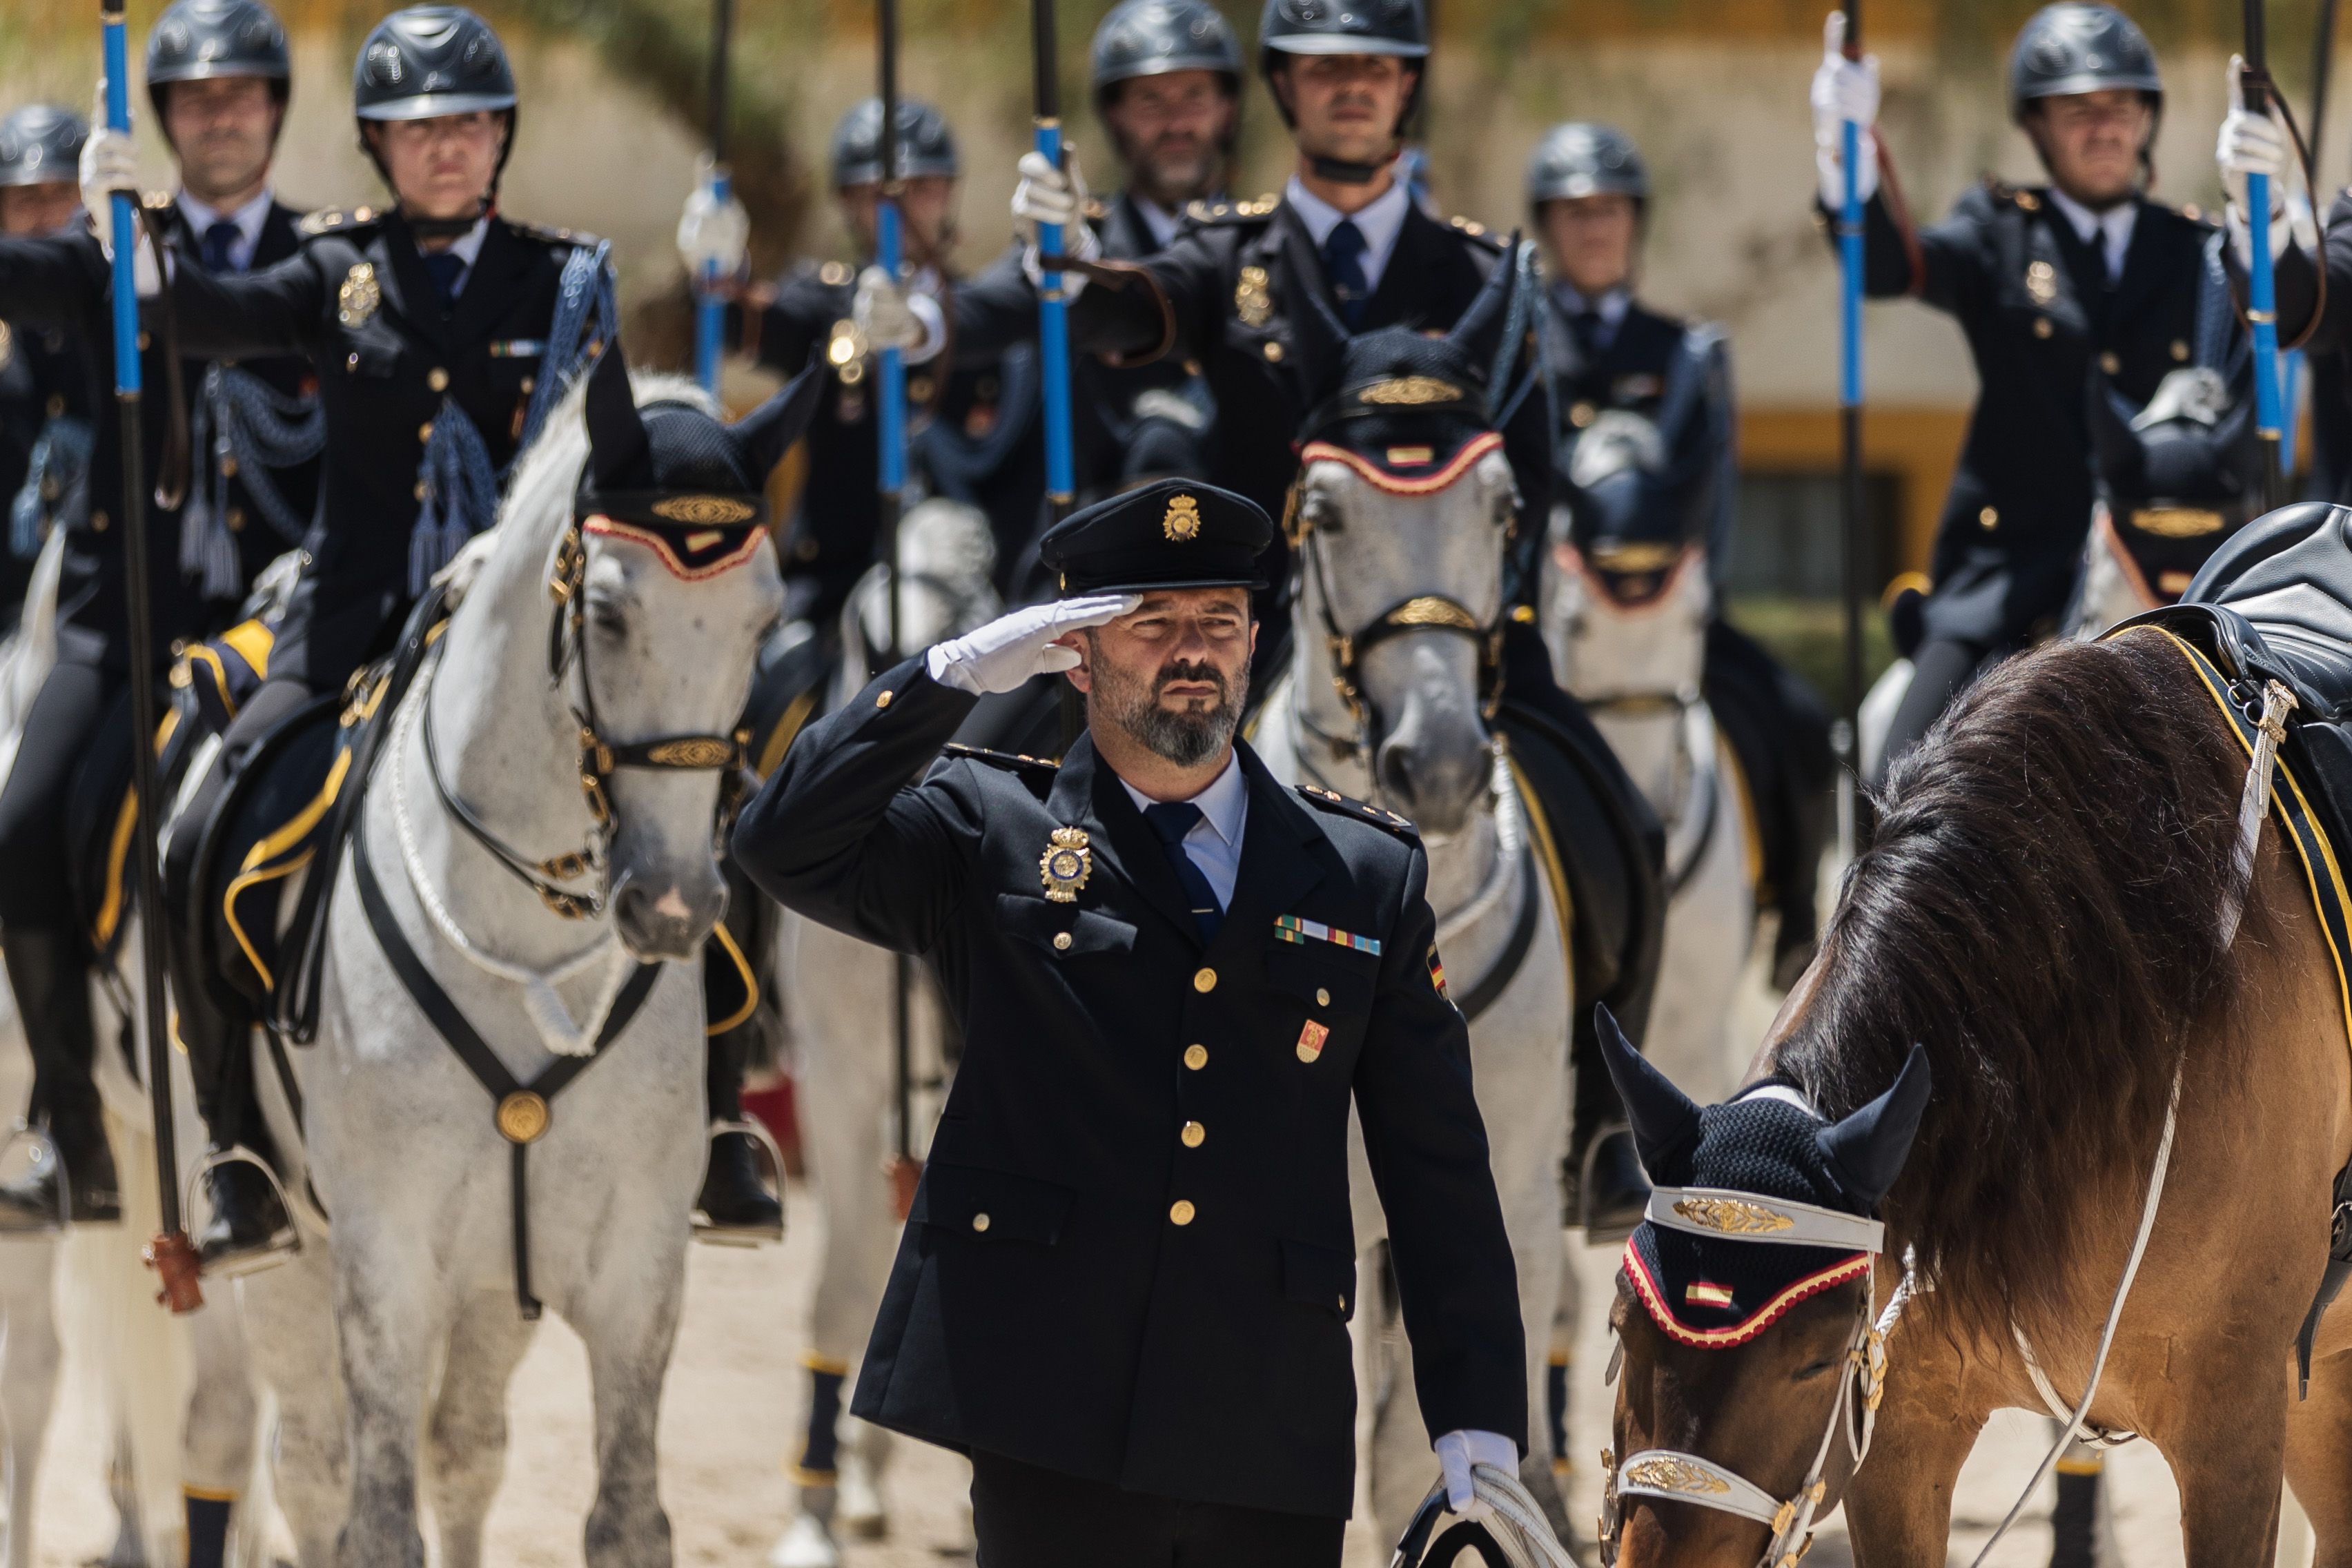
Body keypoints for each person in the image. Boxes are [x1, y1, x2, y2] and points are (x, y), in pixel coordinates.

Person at [732, 478, 1528, 1568]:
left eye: (1219, 622)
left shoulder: (1362, 874)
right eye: (1149, 624)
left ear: (1255, 641)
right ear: (1079, 651)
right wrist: (949, 677)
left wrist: (1478, 1417)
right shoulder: (987, 831)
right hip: (1049, 1410)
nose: (1190, 650)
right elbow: (781, 844)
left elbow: (1439, 1168)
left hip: (1269, 1414)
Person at [0, 0, 327, 1233]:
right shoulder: (103, 249)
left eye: (244, 95)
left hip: (283, 626)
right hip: (122, 620)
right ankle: (67, 1131)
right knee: (23, 824)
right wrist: (95, 232)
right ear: (165, 122)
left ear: (276, 112)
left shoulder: (324, 256)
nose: (222, 117)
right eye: (195, 100)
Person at [1812, 2, 2225, 780]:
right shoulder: (1999, 232)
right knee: (1895, 777)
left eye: (2122, 106)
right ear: (2037, 125)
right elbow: (1889, 267)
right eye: (2079, 109)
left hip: (2168, 584)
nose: (2104, 127)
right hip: (2008, 581)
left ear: (2147, 120)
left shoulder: (2198, 254)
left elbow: (2291, 325)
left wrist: (2278, 222)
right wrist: (1847, 162)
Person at [1531, 121, 1834, 986]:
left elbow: (1717, 492)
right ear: (1550, 226)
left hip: (1674, 610)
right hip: (1551, 617)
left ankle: (1796, 922)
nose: (1597, 229)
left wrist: (1697, 602)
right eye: (1577, 211)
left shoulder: (1687, 352)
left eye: (1613, 210)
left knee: (1802, 724)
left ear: (1637, 222)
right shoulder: (1520, 348)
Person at [680, 98, 1045, 629]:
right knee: (767, 693)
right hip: (834, 597)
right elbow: (752, 321)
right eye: (878, 196)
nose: (902, 209)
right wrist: (718, 273)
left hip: (979, 601)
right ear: (848, 203)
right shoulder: (825, 303)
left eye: (922, 188)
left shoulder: (987, 314)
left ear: (949, 193)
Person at [952, 0, 1243, 536]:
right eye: (1151, 100)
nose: (1176, 122)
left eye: (1195, 96)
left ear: (1226, 108)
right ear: (1115, 114)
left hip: (1247, 566)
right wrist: (919, 311)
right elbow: (982, 312)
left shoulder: (1263, 246)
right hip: (1092, 558)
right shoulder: (1074, 243)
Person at [0, 104, 97, 627]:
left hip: (95, 601)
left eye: (63, 196)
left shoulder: (122, 319)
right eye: (25, 200)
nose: (47, 218)